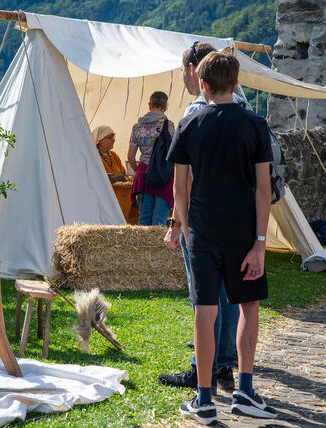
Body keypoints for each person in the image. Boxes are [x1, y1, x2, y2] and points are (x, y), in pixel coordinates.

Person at [167, 51, 277, 425]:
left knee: (205, 311)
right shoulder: (255, 125)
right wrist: (260, 241)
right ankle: (244, 390)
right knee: (247, 307)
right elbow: (264, 190)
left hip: (203, 230)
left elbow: (180, 188)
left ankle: (204, 399)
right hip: (245, 231)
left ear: (203, 83)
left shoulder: (189, 125)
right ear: (236, 82)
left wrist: (186, 227)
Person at [158, 42, 240, 395]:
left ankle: (201, 371)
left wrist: (177, 225)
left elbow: (184, 180)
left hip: (202, 218)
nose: (183, 78)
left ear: (195, 70)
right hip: (236, 217)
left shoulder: (195, 113)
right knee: (228, 295)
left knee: (203, 298)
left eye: (183, 72)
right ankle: (224, 365)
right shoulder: (244, 107)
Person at [127, 91, 176, 225]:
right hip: (164, 175)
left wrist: (138, 170)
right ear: (165, 107)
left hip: (144, 174)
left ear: (149, 105)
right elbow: (175, 153)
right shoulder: (169, 126)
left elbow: (130, 156)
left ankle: (143, 247)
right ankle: (158, 246)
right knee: (159, 220)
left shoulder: (137, 127)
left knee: (144, 220)